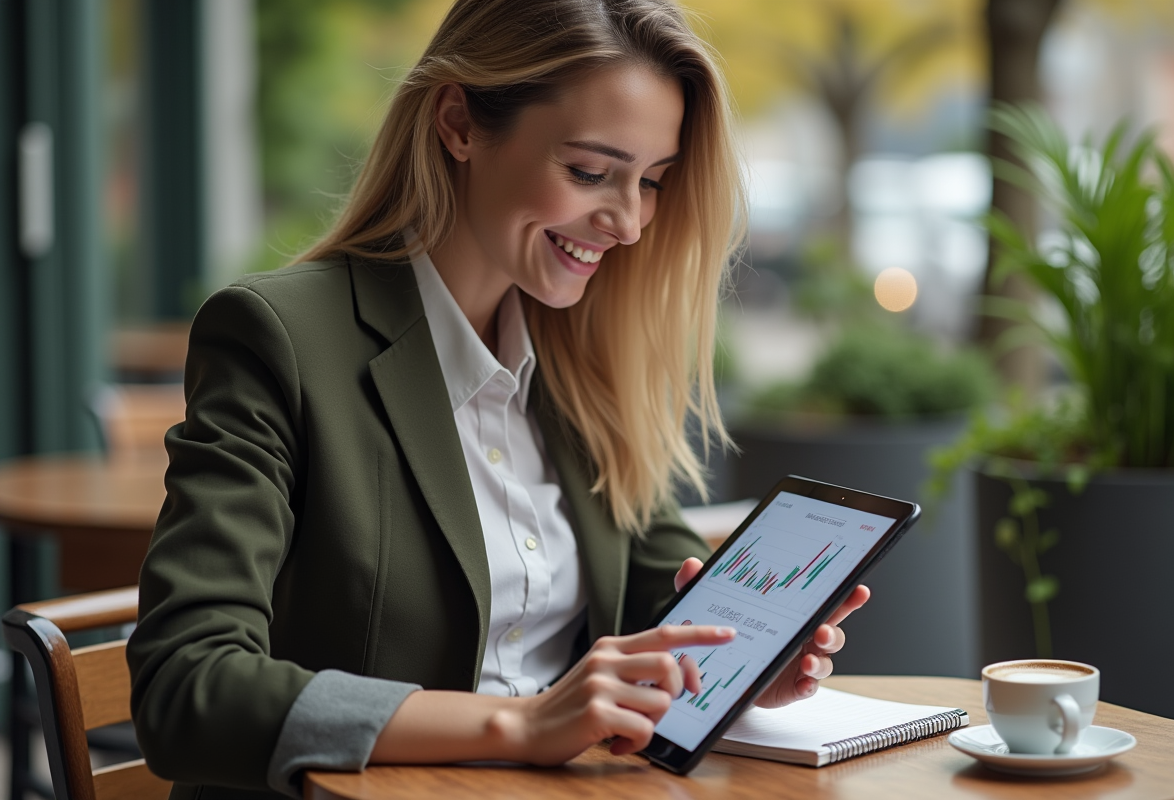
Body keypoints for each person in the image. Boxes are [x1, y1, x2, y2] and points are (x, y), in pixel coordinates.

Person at [127, 1, 869, 798]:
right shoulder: (281, 336)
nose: (627, 222)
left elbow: (657, 591)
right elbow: (187, 687)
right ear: (459, 122)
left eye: (652, 182)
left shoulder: (583, 358)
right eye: (590, 172)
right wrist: (522, 724)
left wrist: (740, 658)